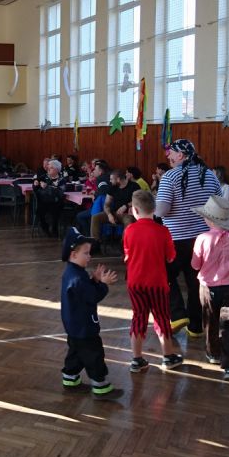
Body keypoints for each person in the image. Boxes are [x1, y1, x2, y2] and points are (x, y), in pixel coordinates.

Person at [155, 139, 222, 338]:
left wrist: (153, 207)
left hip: (176, 239)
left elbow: (162, 210)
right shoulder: (209, 175)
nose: (168, 156)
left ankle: (176, 314)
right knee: (195, 282)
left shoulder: (170, 176)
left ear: (181, 155)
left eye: (171, 152)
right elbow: (220, 204)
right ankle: (195, 326)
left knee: (162, 274)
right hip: (204, 239)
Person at [123, 190, 182, 373]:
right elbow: (171, 257)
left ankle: (136, 359)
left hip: (135, 282)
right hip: (157, 282)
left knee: (138, 317)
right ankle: (168, 357)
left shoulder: (129, 230)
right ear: (154, 209)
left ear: (134, 210)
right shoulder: (163, 231)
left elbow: (127, 255)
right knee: (162, 317)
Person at [59, 229, 122, 400]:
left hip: (74, 326)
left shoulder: (73, 272)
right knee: (94, 355)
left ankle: (70, 378)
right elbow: (92, 296)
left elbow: (83, 292)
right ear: (73, 255)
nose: (90, 256)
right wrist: (103, 284)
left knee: (76, 352)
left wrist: (94, 280)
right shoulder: (77, 278)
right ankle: (101, 387)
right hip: (84, 327)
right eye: (86, 253)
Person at [190, 196, 229, 383]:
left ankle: (213, 353)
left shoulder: (202, 239)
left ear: (209, 219)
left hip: (209, 288)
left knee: (210, 320)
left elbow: (195, 265)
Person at [89, 169, 136, 239]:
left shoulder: (134, 186)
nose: (110, 181)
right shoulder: (112, 187)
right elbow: (106, 204)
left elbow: (138, 200)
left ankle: (125, 243)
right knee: (95, 217)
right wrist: (109, 215)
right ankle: (95, 242)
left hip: (127, 214)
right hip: (113, 212)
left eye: (111, 179)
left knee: (129, 221)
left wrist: (126, 206)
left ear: (118, 179)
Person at [34, 159, 68, 237]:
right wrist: (35, 184)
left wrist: (47, 187)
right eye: (48, 167)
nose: (48, 169)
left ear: (57, 170)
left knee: (55, 210)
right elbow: (35, 188)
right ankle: (45, 228)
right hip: (44, 201)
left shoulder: (62, 180)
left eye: (51, 168)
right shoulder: (44, 177)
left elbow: (59, 193)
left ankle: (54, 229)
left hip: (56, 201)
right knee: (39, 211)